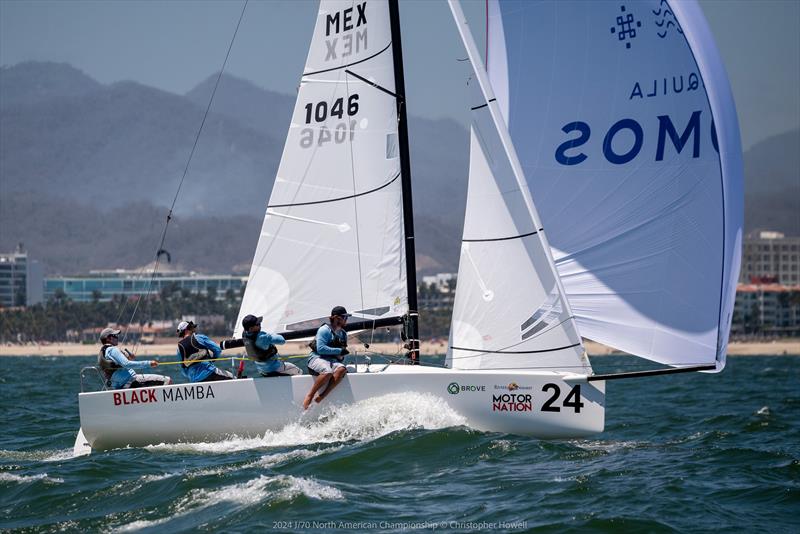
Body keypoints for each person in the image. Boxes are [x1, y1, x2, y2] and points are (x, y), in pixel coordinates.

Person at [303, 306, 350, 410]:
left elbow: (341, 355)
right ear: (337, 318)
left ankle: (321, 396)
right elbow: (320, 349)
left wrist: (341, 356)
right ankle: (310, 395)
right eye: (345, 317)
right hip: (316, 358)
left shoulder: (343, 334)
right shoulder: (324, 330)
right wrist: (339, 351)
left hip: (331, 360)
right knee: (327, 371)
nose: (347, 320)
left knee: (342, 369)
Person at [98, 327, 171, 389]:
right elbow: (126, 364)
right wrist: (149, 363)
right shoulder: (113, 349)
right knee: (167, 381)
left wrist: (129, 358)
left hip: (119, 385)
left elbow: (118, 365)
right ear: (108, 339)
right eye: (115, 336)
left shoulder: (105, 351)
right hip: (131, 380)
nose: (117, 337)